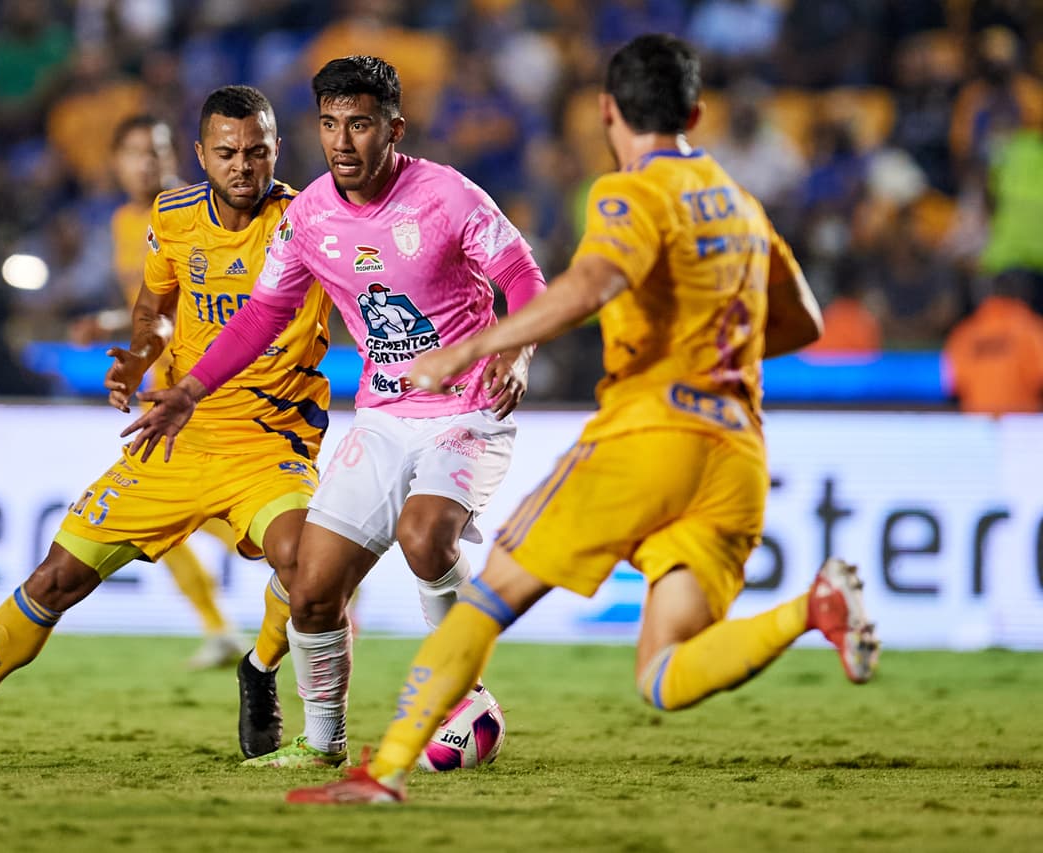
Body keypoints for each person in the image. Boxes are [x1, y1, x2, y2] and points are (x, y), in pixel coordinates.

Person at [286, 34, 880, 805]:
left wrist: (491, 341)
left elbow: (590, 282)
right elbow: (803, 323)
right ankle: (814, 605)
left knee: (488, 597)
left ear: (606, 113)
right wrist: (705, 348)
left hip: (649, 436)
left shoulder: (627, 194)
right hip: (736, 452)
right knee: (663, 674)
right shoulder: (739, 204)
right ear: (697, 111)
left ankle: (385, 771)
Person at [0, 85, 332, 760]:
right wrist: (137, 357)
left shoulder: (313, 219)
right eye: (226, 152)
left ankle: (260, 665)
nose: (243, 165)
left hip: (265, 442)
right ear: (200, 154)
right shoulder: (172, 214)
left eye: (256, 151)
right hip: (176, 437)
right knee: (55, 578)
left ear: (277, 149)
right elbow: (155, 307)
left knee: (308, 561)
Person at [122, 55, 547, 769]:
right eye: (329, 124)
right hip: (382, 416)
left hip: (467, 407)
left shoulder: (447, 196)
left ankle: (464, 692)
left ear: (394, 128)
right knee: (311, 590)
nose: (343, 142)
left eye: (360, 124)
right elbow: (262, 313)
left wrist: (518, 354)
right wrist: (190, 389)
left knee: (424, 534)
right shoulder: (310, 215)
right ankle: (323, 744)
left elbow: (524, 278)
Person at [70, 113, 247, 670]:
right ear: (116, 162)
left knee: (214, 514)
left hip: (205, 388)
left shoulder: (201, 214)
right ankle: (222, 627)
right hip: (162, 388)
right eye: (135, 151)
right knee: (173, 520)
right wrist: (107, 323)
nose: (147, 161)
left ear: (179, 156)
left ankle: (322, 572)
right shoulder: (125, 222)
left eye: (158, 149)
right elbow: (152, 302)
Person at [944, 271, 1043, 415]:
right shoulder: (1033, 329)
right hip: (1024, 425)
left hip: (977, 424)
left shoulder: (964, 333)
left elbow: (954, 384)